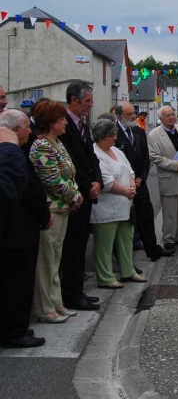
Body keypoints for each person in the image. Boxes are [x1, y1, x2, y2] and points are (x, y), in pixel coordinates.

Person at [29, 100, 84, 323]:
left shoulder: (57, 143)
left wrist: (75, 194)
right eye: (62, 120)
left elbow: (69, 174)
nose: (65, 123)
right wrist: (74, 195)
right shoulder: (42, 145)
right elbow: (51, 179)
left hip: (63, 208)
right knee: (46, 261)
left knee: (56, 258)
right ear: (52, 122)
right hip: (51, 209)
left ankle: (56, 301)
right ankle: (44, 307)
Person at [0, 111, 51, 348]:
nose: (30, 131)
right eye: (26, 127)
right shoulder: (13, 155)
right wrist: (44, 215)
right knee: (19, 282)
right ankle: (14, 331)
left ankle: (15, 327)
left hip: (13, 228)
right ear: (16, 130)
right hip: (19, 230)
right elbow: (30, 190)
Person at [58, 81, 103, 311]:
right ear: (74, 100)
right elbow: (72, 163)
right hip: (76, 195)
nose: (90, 105)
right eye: (87, 101)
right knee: (73, 247)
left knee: (80, 243)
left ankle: (77, 291)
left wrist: (98, 181)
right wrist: (88, 186)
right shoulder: (64, 126)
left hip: (87, 191)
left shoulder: (83, 124)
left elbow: (91, 157)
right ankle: (71, 294)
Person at [89, 119, 145, 288]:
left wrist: (132, 185)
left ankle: (128, 271)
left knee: (126, 240)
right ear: (100, 136)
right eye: (111, 135)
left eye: (115, 134)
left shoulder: (116, 151)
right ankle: (106, 277)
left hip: (125, 205)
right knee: (105, 245)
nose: (115, 138)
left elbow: (130, 169)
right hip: (106, 207)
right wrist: (126, 191)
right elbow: (106, 180)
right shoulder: (95, 153)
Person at [114, 102, 174, 261]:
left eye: (134, 112)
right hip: (123, 185)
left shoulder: (139, 132)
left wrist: (141, 177)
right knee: (125, 221)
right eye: (129, 114)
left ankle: (153, 249)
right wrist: (130, 180)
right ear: (120, 116)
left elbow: (146, 159)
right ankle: (122, 257)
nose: (133, 116)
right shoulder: (113, 133)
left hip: (140, 183)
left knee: (146, 217)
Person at [148, 106, 178, 249]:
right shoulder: (154, 135)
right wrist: (175, 165)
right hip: (169, 176)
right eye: (167, 115)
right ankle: (169, 239)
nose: (171, 117)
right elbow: (154, 156)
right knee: (169, 212)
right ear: (161, 119)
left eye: (173, 114)